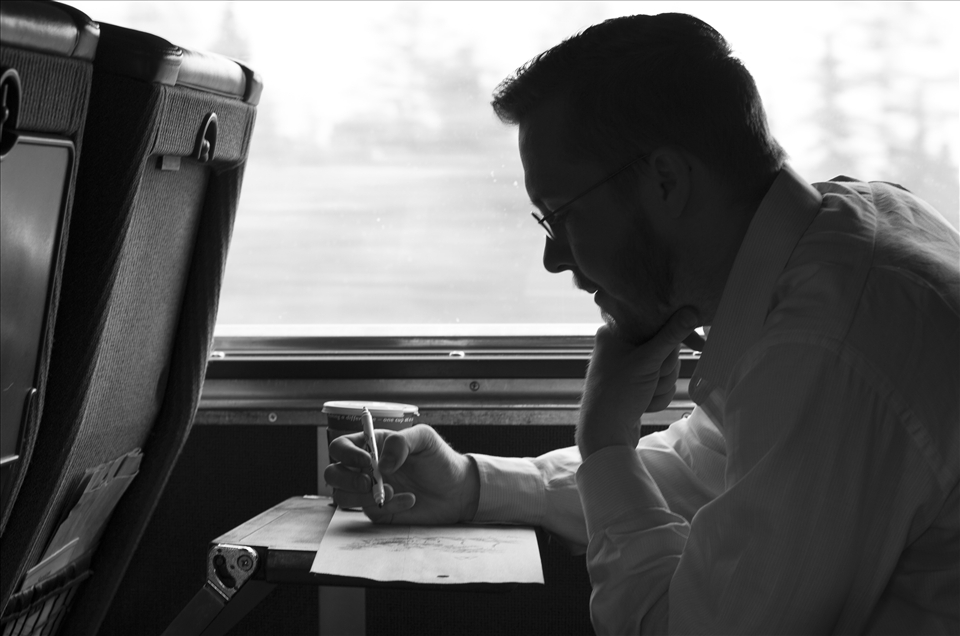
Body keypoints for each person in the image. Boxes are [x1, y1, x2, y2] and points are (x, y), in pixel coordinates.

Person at [325, 13, 959, 634]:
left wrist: (605, 436)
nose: (553, 258)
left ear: (665, 180)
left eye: (560, 214)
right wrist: (471, 484)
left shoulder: (828, 344)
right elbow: (703, 472)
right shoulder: (841, 238)